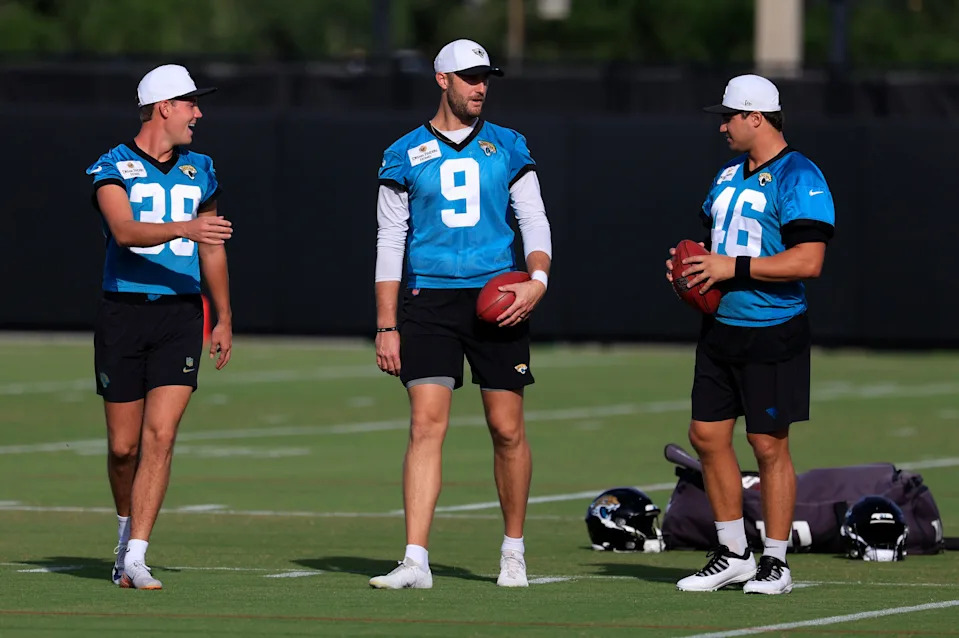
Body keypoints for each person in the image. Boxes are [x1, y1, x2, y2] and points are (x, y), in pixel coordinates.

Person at [370, 39, 552, 589]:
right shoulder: (403, 153)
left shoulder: (509, 145)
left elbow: (534, 219)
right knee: (426, 424)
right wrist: (386, 324)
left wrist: (537, 281)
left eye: (485, 77)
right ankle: (415, 560)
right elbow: (389, 240)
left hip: (499, 297)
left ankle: (514, 551)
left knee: (506, 428)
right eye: (470, 77)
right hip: (429, 299)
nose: (480, 87)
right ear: (441, 79)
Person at [665, 74, 835, 595]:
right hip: (721, 328)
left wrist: (730, 268)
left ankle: (776, 562)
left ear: (755, 117)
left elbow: (808, 261)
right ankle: (733, 553)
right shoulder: (726, 175)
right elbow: (710, 248)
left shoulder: (799, 174)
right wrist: (687, 269)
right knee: (706, 436)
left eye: (729, 117)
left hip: (773, 327)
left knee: (767, 444)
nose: (722, 127)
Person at [85, 64, 234, 590]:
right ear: (163, 107)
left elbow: (211, 246)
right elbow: (124, 231)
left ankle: (138, 554)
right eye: (191, 103)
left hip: (181, 314)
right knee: (123, 448)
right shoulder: (112, 165)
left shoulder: (202, 168)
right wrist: (185, 227)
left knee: (161, 435)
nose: (199, 113)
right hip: (124, 313)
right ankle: (124, 532)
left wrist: (223, 315)